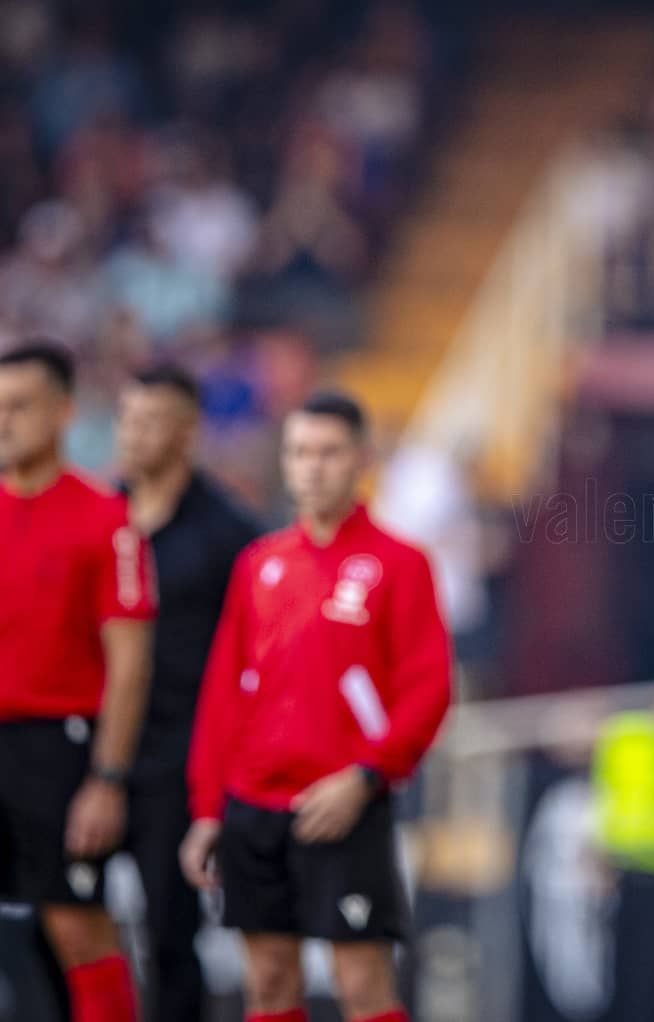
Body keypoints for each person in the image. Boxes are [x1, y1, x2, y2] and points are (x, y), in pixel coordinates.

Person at [179, 391, 451, 1022]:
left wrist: (366, 776)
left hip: (344, 805)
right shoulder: (259, 563)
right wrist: (207, 809)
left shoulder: (400, 563)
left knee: (362, 985)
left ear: (362, 459)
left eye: (329, 452)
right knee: (268, 982)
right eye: (300, 452)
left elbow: (429, 689)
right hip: (253, 805)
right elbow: (223, 694)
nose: (313, 467)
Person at [0, 342, 155, 1022]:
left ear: (64, 411)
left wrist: (106, 778)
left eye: (20, 406)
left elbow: (130, 662)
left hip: (57, 749)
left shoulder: (104, 518)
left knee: (76, 927)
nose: (4, 420)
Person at [115, 364, 261, 1022]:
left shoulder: (229, 533)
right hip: (91, 746)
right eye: (127, 420)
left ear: (187, 431)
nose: (133, 435)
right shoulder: (99, 516)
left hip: (181, 758)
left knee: (170, 935)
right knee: (54, 919)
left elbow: (254, 651)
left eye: (151, 422)